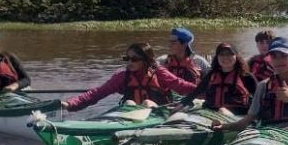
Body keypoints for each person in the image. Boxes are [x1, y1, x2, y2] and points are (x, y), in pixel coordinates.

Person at [215, 37, 288, 130]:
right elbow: (247, 121)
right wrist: (225, 126)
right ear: (270, 59)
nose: (279, 60)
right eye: (274, 56)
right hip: (268, 133)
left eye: (284, 56)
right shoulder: (263, 86)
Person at [62, 42, 196, 111]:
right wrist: (70, 104)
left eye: (135, 59)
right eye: (127, 58)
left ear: (146, 60)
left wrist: (204, 91)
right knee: (129, 103)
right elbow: (98, 93)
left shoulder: (158, 72)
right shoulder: (122, 76)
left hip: (160, 113)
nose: (130, 62)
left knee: (147, 103)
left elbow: (181, 86)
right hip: (131, 116)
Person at [178, 42, 258, 114]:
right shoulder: (211, 75)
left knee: (222, 111)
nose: (225, 57)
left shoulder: (246, 77)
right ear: (217, 57)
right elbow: (196, 92)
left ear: (236, 56)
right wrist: (182, 103)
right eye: (221, 54)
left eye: (229, 54)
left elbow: (259, 98)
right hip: (210, 112)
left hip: (237, 115)